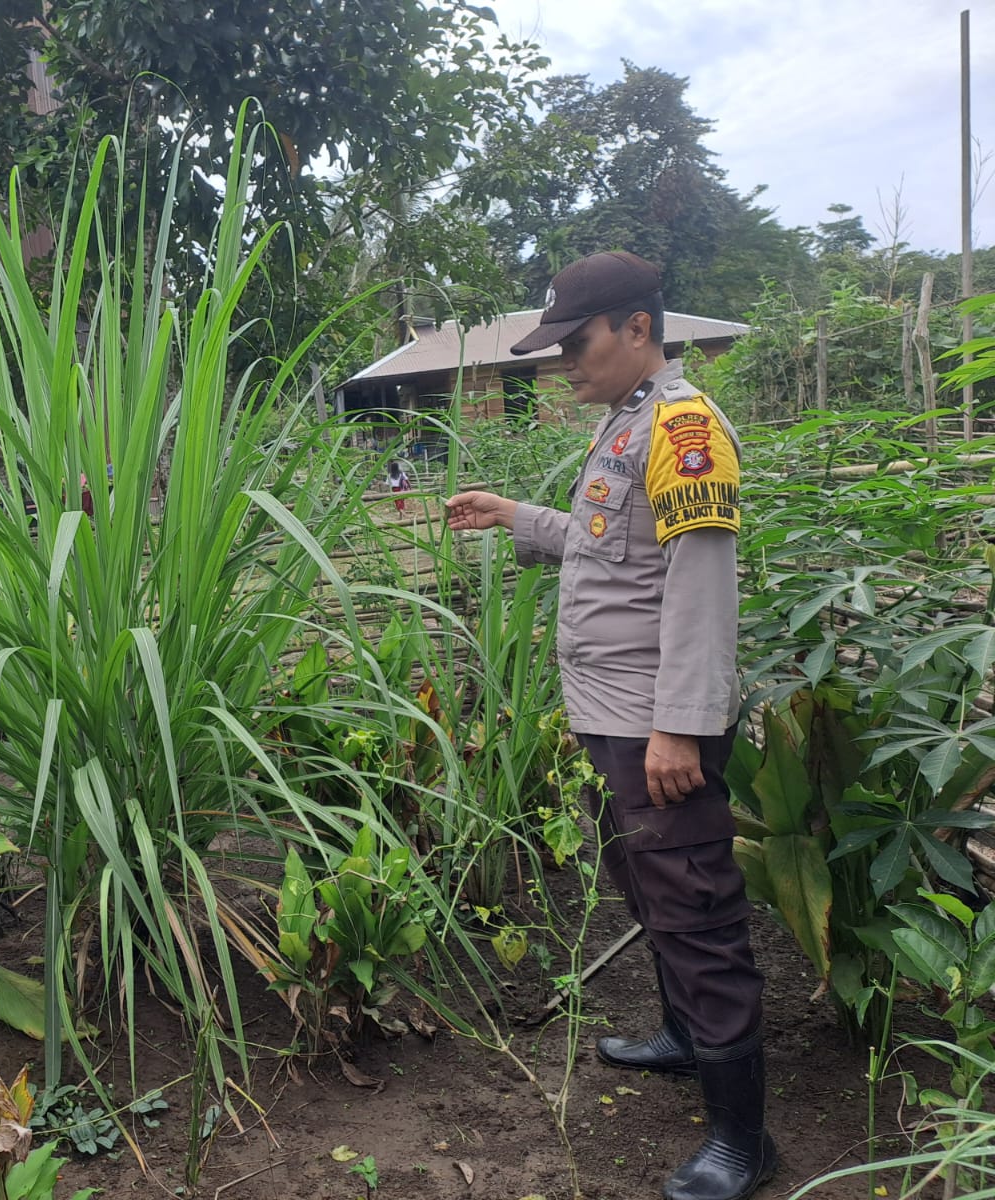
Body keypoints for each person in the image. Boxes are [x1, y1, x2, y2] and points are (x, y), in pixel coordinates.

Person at [444, 251, 774, 1200]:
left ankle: (743, 1141)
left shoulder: (684, 428)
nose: (563, 364)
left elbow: (701, 586)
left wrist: (680, 729)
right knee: (649, 886)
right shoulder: (627, 421)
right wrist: (516, 514)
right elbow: (609, 551)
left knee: (697, 913)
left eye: (575, 343)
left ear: (636, 327)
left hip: (653, 727)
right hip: (614, 717)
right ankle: (683, 1036)